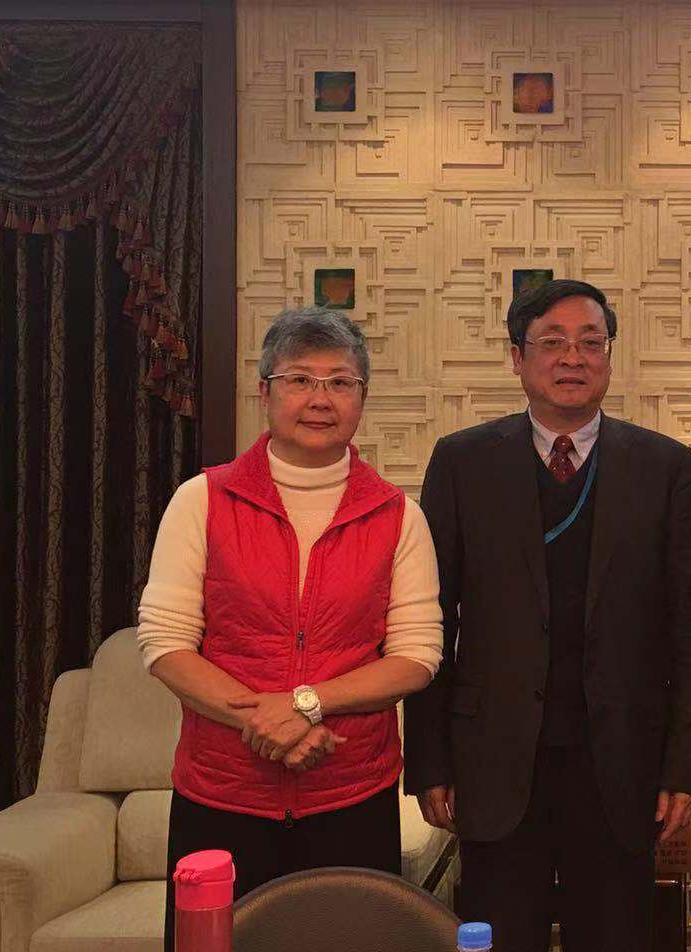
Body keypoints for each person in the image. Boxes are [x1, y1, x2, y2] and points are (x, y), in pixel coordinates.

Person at [404, 278, 691, 952]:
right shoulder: (462, 462)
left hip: (623, 763)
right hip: (494, 760)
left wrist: (686, 770)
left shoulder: (664, 466)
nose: (572, 358)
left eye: (590, 342)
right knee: (500, 938)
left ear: (609, 357)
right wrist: (429, 761)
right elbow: (431, 620)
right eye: (552, 342)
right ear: (517, 358)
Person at [138, 306, 443, 951]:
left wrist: (305, 703)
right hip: (221, 798)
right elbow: (165, 643)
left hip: (351, 796)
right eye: (300, 379)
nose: (320, 399)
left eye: (341, 382)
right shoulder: (202, 499)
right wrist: (271, 724)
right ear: (266, 391)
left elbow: (416, 656)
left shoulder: (398, 515)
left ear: (362, 397)